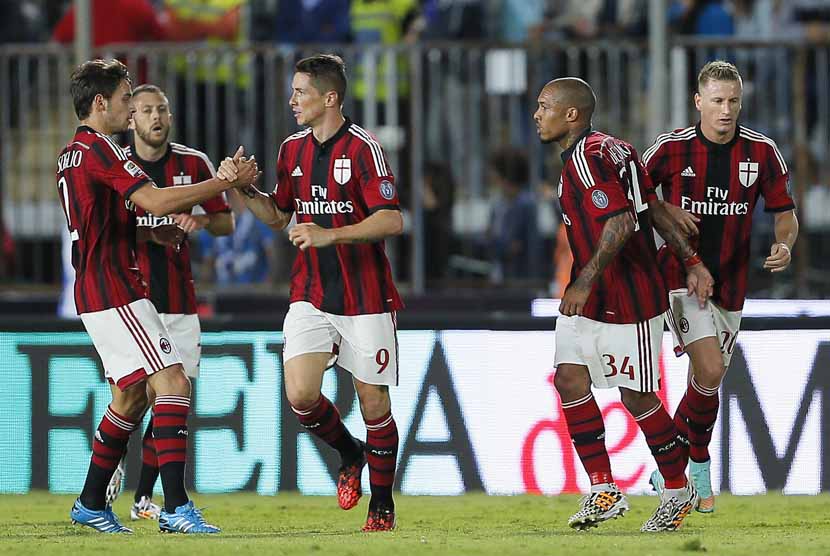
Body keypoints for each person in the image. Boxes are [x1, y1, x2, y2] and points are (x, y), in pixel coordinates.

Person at [58, 58, 257, 534]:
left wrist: (150, 237)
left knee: (129, 397)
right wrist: (227, 182)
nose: (132, 110)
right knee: (172, 384)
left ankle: (90, 503)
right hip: (115, 287)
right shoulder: (101, 149)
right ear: (101, 102)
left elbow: (102, 220)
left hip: (99, 283)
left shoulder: (73, 152)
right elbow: (158, 199)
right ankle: (174, 508)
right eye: (127, 99)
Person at [218, 54, 404, 532]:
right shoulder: (290, 150)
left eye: (301, 92)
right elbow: (281, 216)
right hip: (310, 292)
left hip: (364, 295)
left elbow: (392, 219)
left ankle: (381, 507)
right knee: (301, 394)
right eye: (293, 91)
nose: (292, 100)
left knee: (374, 403)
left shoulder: (364, 149)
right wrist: (245, 191)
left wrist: (330, 235)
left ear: (330, 98)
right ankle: (350, 454)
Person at [534, 77, 714, 532]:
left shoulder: (587, 161)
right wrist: (690, 260)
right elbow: (651, 208)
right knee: (570, 379)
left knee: (636, 396)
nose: (537, 115)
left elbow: (620, 222)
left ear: (571, 114)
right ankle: (603, 490)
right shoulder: (615, 148)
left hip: (623, 294)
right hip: (592, 294)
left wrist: (585, 280)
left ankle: (677, 488)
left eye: (544, 107)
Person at [643, 60, 798, 513]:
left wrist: (784, 245)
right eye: (717, 101)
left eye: (733, 101)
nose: (726, 110)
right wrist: (667, 212)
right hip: (680, 276)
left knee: (707, 380)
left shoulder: (762, 152)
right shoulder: (670, 150)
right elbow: (635, 195)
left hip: (732, 279)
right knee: (709, 369)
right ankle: (698, 459)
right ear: (699, 102)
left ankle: (674, 466)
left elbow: (785, 213)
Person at [105, 84, 235, 521]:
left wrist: (198, 220)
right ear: (131, 119)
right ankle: (108, 476)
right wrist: (149, 231)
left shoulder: (193, 163)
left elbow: (225, 223)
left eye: (162, 109)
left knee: (172, 400)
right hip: (129, 298)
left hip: (178, 301)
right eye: (145, 110)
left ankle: (144, 498)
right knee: (131, 398)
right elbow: (105, 227)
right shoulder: (116, 164)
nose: (155, 117)